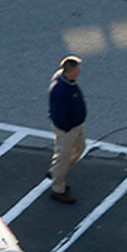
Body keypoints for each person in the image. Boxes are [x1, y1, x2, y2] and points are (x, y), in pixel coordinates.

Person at [48, 55, 87, 204]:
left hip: (75, 125)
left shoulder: (69, 81)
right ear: (71, 71)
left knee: (80, 148)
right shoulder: (60, 89)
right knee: (64, 156)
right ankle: (58, 188)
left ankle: (56, 172)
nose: (80, 70)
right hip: (67, 129)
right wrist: (67, 127)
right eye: (77, 68)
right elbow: (58, 112)